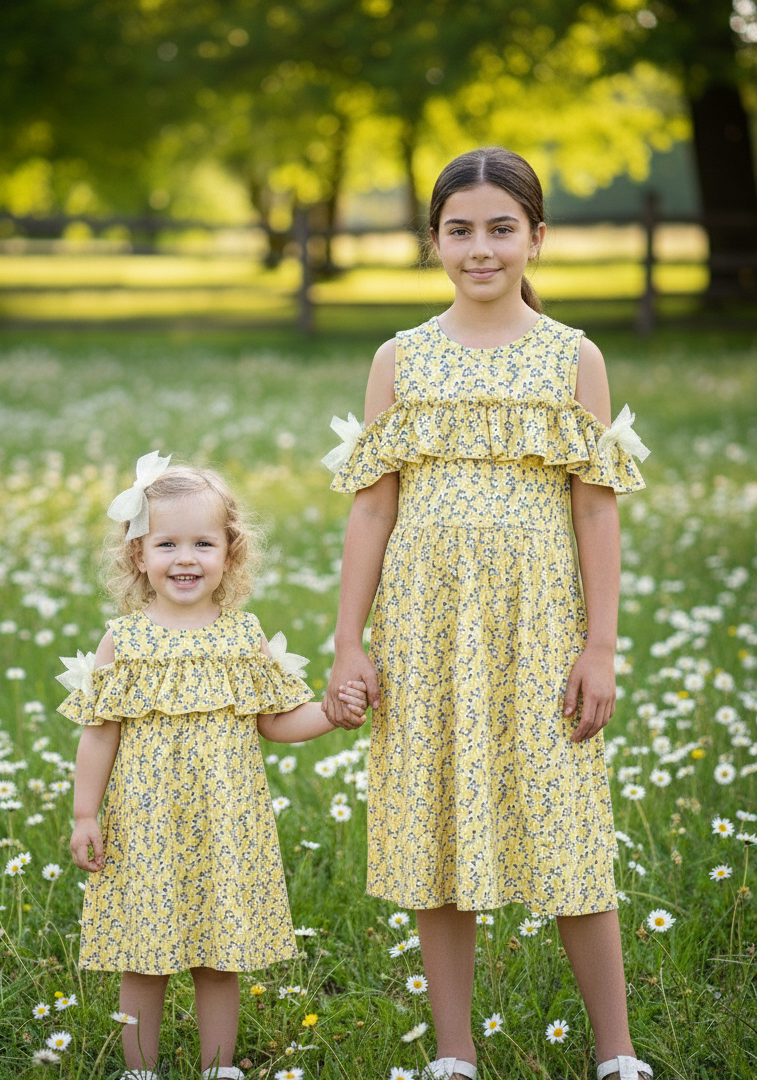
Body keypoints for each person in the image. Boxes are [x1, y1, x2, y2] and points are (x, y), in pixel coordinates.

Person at [321, 148, 651, 1080]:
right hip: (423, 630)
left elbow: (595, 509)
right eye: (459, 230)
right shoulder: (401, 358)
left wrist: (599, 646)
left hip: (538, 630)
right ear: (433, 241)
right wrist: (349, 642)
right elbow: (372, 509)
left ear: (536, 237)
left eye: (501, 229)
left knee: (568, 825)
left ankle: (617, 1052)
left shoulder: (572, 356)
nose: (481, 248)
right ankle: (454, 1053)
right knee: (436, 828)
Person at [57, 454, 367, 1080]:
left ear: (230, 551)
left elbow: (276, 721)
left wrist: (331, 713)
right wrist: (85, 813)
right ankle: (139, 1070)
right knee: (143, 957)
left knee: (219, 957)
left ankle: (219, 1067)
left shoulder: (244, 637)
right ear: (138, 555)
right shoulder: (125, 640)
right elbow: (99, 733)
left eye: (203, 543)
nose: (186, 558)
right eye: (166, 544)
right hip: (146, 827)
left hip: (225, 824)